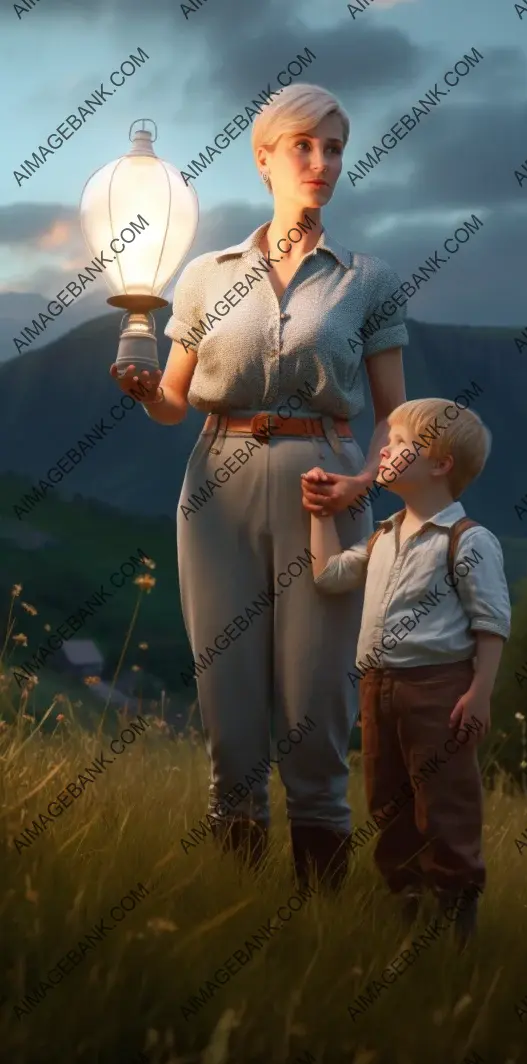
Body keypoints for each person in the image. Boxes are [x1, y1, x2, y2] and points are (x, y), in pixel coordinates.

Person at [109, 82, 409, 892]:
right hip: (214, 489)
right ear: (265, 158)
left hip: (328, 490)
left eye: (335, 147)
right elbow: (175, 405)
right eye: (304, 146)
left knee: (317, 699)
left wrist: (357, 485)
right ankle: (234, 895)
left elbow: (394, 419)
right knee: (228, 692)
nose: (322, 162)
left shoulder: (368, 279)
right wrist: (143, 390)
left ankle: (321, 902)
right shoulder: (205, 276)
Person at [305, 398, 511, 943]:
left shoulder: (467, 541)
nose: (387, 452)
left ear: (441, 464)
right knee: (387, 801)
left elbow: (492, 623)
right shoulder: (382, 537)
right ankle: (407, 905)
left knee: (445, 801)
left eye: (399, 444)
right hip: (378, 689)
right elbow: (328, 577)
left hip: (438, 689)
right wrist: (321, 514)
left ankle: (456, 912)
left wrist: (480, 693)